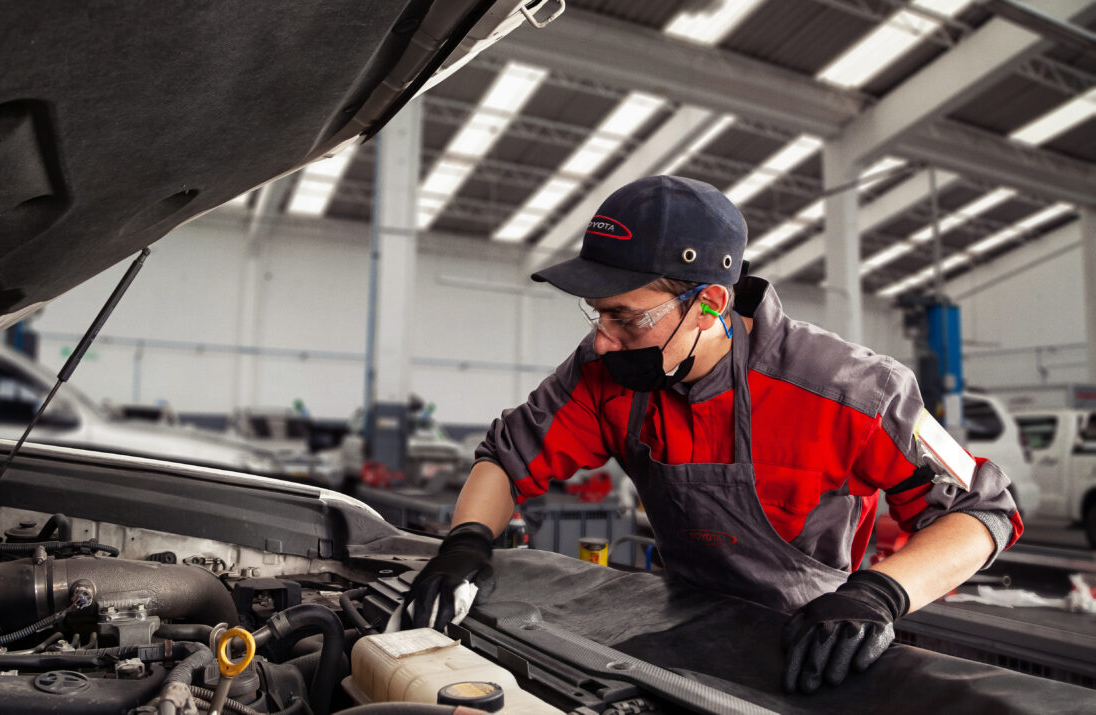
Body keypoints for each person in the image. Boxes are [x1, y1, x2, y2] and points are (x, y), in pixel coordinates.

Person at [400, 175, 1023, 694]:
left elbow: (983, 510)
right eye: (597, 314)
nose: (601, 338)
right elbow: (509, 461)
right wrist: (467, 543)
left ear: (708, 305)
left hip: (811, 644)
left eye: (624, 316)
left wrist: (878, 596)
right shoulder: (605, 374)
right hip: (677, 622)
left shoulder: (849, 389)